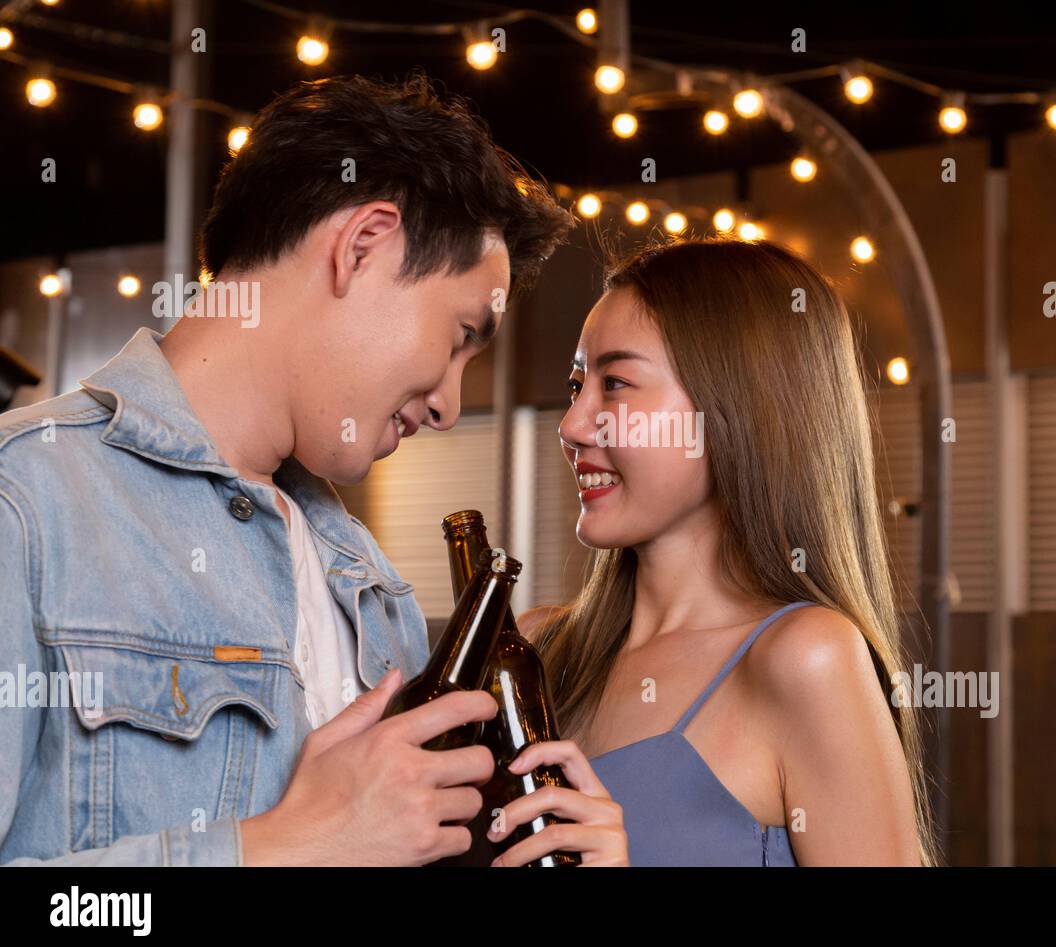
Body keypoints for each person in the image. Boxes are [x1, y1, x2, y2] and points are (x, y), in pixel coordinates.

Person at [0, 72, 627, 866]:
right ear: (363, 245)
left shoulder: (371, 587)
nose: (447, 403)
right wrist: (274, 851)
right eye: (462, 334)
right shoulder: (27, 502)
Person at [508, 238, 938, 866]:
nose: (572, 425)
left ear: (734, 408)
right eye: (577, 384)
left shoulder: (805, 658)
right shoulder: (538, 651)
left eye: (616, 384)